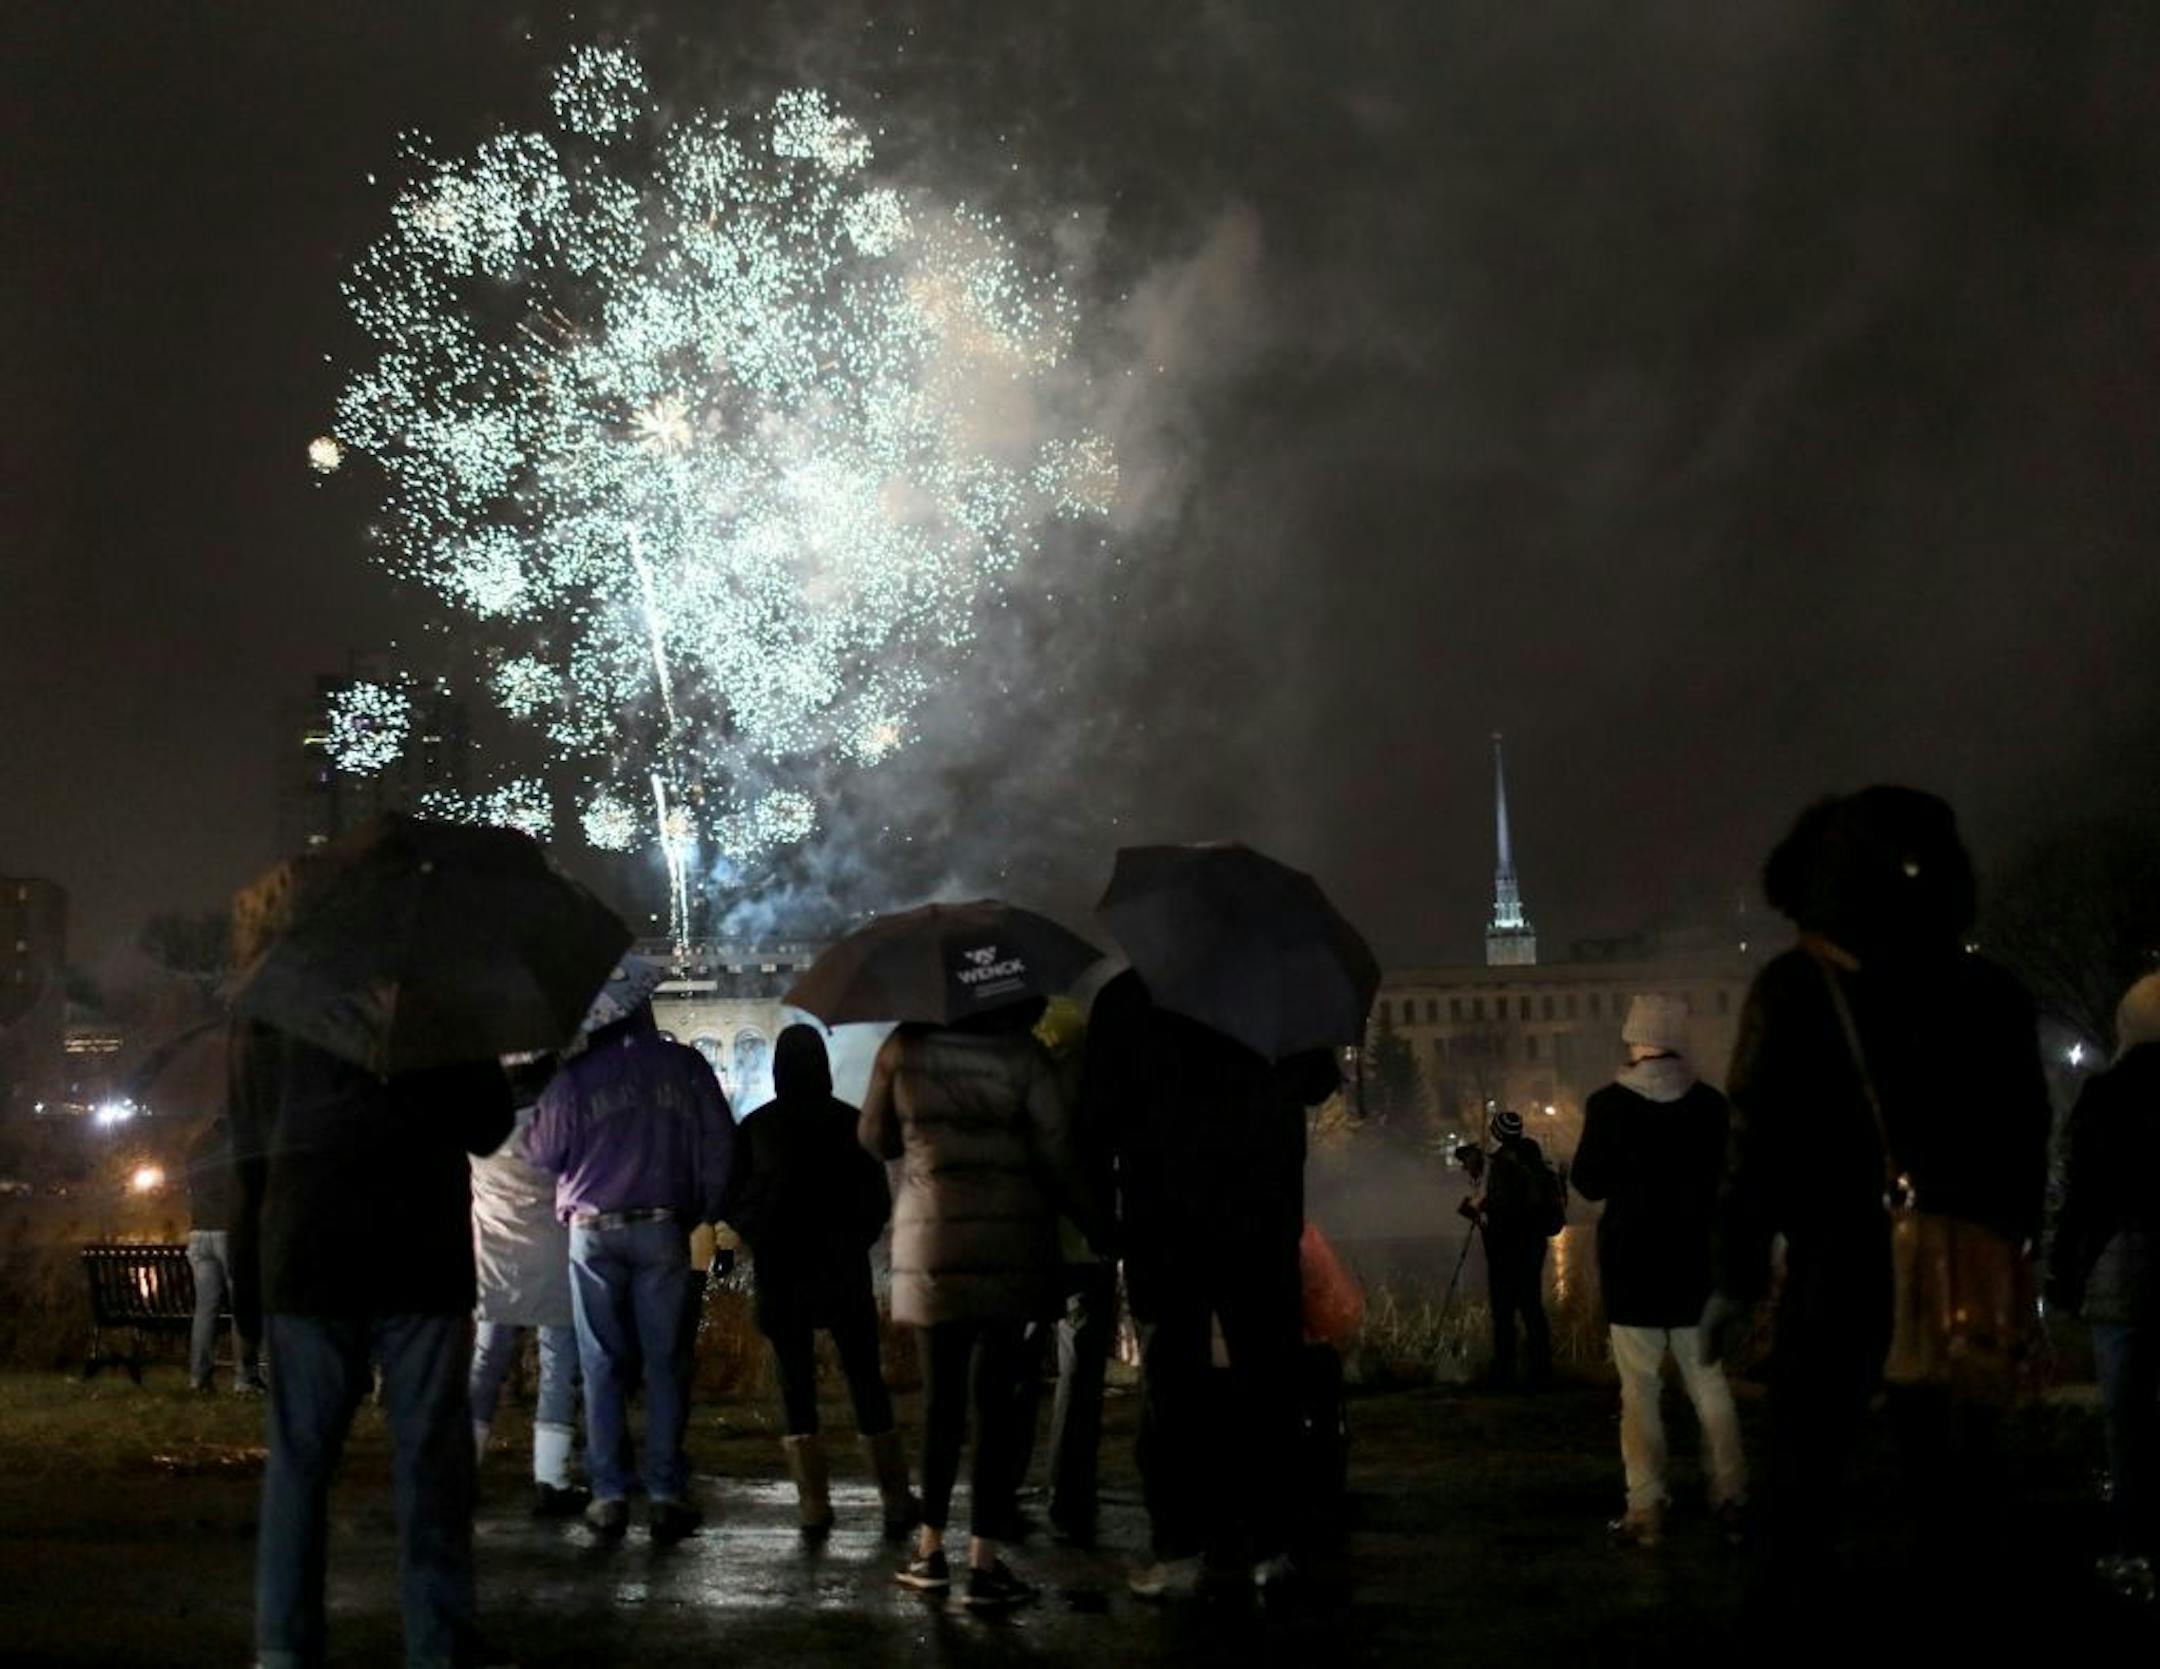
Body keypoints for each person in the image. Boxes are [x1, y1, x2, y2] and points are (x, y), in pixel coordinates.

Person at [1700, 788, 2050, 1613]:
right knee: (1960, 1491)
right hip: (1963, 1268)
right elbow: (2027, 1135)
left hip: (1838, 1268)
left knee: (1804, 1486)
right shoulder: (1992, 990)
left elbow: (1755, 1148)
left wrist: (1736, 1278)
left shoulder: (1797, 987)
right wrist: (2012, 1240)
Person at [229, 858, 515, 1669]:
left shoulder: (270, 1000)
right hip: (418, 1255)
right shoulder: (436, 996)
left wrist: (249, 1291)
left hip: (307, 1254)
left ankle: (284, 1645)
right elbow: (489, 1123)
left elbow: (247, 1147)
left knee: (299, 1462)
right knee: (430, 1461)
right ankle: (437, 1643)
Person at [1085, 968, 1339, 1598]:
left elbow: (1095, 1119)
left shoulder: (1127, 998)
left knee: (1172, 1387)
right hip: (1260, 1217)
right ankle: (1272, 1544)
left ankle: (1179, 1546)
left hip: (1163, 1222)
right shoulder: (1271, 985)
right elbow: (1318, 1080)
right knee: (1269, 1380)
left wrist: (1102, 1222)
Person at [861, 998, 1096, 1610]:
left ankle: (930, 1551)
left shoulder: (904, 1046)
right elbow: (1057, 1153)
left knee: (940, 1404)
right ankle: (984, 1565)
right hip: (1010, 1245)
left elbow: (874, 1138)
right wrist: (1102, 1225)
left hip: (932, 1242)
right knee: (994, 1405)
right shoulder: (1025, 1056)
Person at [522, 999, 734, 1546]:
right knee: (666, 1361)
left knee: (600, 1362)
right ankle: (664, 1493)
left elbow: (541, 1153)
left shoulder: (575, 1076)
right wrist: (706, 1210)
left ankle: (608, 1494)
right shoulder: (685, 1067)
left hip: (591, 1230)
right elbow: (719, 1142)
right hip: (662, 1225)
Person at [727, 1023, 916, 1538]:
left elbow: (734, 1199)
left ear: (778, 1068)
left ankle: (813, 1504)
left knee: (796, 1385)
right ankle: (895, 1499)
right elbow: (875, 1202)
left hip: (781, 1270)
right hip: (841, 1270)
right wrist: (852, 1240)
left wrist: (762, 1235)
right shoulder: (850, 1122)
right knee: (865, 1378)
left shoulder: (758, 1126)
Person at [1571, 994, 1746, 1548]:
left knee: (1639, 1392)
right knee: (1710, 1386)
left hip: (1632, 1265)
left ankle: (1646, 1507)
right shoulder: (1711, 1106)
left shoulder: (1608, 1105)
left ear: (1635, 1040)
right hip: (1697, 1265)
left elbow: (1588, 1182)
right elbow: (1734, 1182)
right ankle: (1731, 1497)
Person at [2047, 971, 2160, 1603]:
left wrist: (2063, 1281)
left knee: (2128, 1422)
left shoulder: (2105, 1096)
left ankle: (2134, 1548)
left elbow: (2080, 1199)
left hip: (2119, 1275)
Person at [468, 1053, 585, 1518]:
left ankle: (464, 1468)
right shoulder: (560, 1123)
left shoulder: (482, 1128)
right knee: (559, 1365)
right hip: (553, 1252)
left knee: (486, 1363)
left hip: (495, 1254)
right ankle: (551, 1477)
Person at [1470, 1108, 1561, 1390]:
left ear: (1498, 1134)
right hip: (1533, 1246)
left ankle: (1504, 1370)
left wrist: (1480, 1208)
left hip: (1506, 1247)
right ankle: (1541, 1369)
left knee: (1503, 1311)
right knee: (1532, 1307)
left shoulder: (1504, 1164)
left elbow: (1504, 1207)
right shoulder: (1533, 1161)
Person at [183, 1110, 264, 1394]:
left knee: (205, 1310)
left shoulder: (196, 1145)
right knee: (242, 1305)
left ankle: (199, 1377)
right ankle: (245, 1378)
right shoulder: (242, 1147)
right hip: (230, 1232)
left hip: (199, 1232)